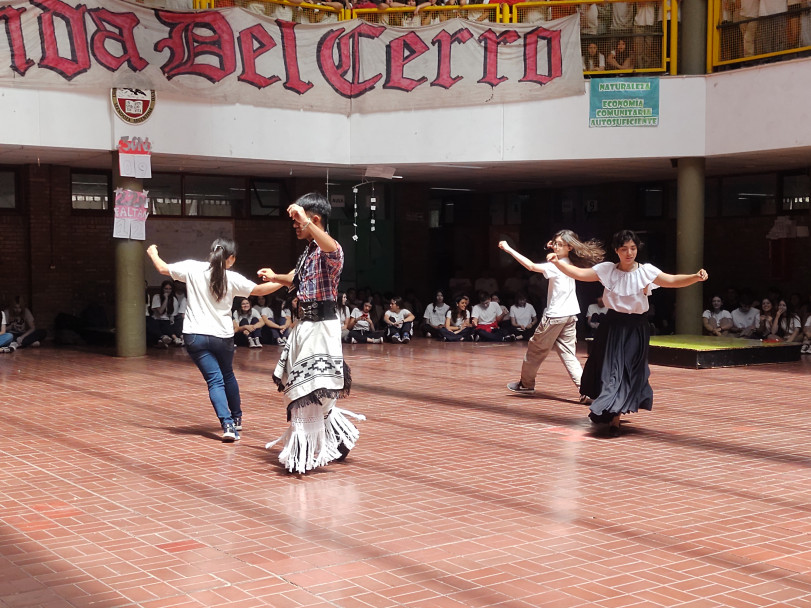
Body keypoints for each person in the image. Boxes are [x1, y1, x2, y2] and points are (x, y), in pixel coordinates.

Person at [546, 229, 708, 437]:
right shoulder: (607, 270)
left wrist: (695, 277)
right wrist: (558, 263)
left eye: (632, 248)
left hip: (636, 327)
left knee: (627, 371)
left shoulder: (646, 272)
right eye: (624, 249)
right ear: (617, 251)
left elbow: (672, 280)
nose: (629, 253)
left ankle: (615, 418)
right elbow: (579, 274)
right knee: (609, 370)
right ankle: (609, 409)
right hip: (612, 326)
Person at [258, 193, 363, 474]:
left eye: (299, 221)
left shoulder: (330, 250)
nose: (295, 225)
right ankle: (340, 438)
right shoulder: (308, 252)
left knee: (309, 388)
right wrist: (275, 276)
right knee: (310, 388)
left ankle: (302, 453)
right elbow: (296, 278)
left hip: (321, 327)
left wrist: (307, 222)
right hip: (305, 326)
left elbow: (333, 248)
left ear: (314, 220)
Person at [147, 238, 283, 442]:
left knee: (214, 380)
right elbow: (260, 290)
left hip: (195, 336)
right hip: (223, 336)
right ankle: (236, 418)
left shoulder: (192, 268)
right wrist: (285, 280)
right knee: (227, 375)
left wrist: (152, 252)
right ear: (231, 259)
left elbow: (162, 268)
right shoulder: (232, 277)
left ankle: (227, 425)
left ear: (211, 252)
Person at [499, 232, 604, 397]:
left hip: (555, 316)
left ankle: (526, 384)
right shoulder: (569, 262)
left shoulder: (555, 265)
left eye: (560, 244)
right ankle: (587, 392)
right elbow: (557, 253)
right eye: (555, 243)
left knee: (535, 350)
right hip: (570, 315)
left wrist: (509, 249)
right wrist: (555, 246)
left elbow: (531, 266)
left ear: (570, 247)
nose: (556, 246)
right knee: (569, 354)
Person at [151, 279, 182, 347]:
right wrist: (166, 299)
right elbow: (160, 312)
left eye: (170, 289)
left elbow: (173, 316)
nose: (168, 291)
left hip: (168, 322)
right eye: (166, 289)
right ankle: (172, 338)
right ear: (162, 289)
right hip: (157, 320)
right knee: (154, 324)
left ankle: (163, 339)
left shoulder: (174, 299)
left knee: (168, 323)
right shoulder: (156, 297)